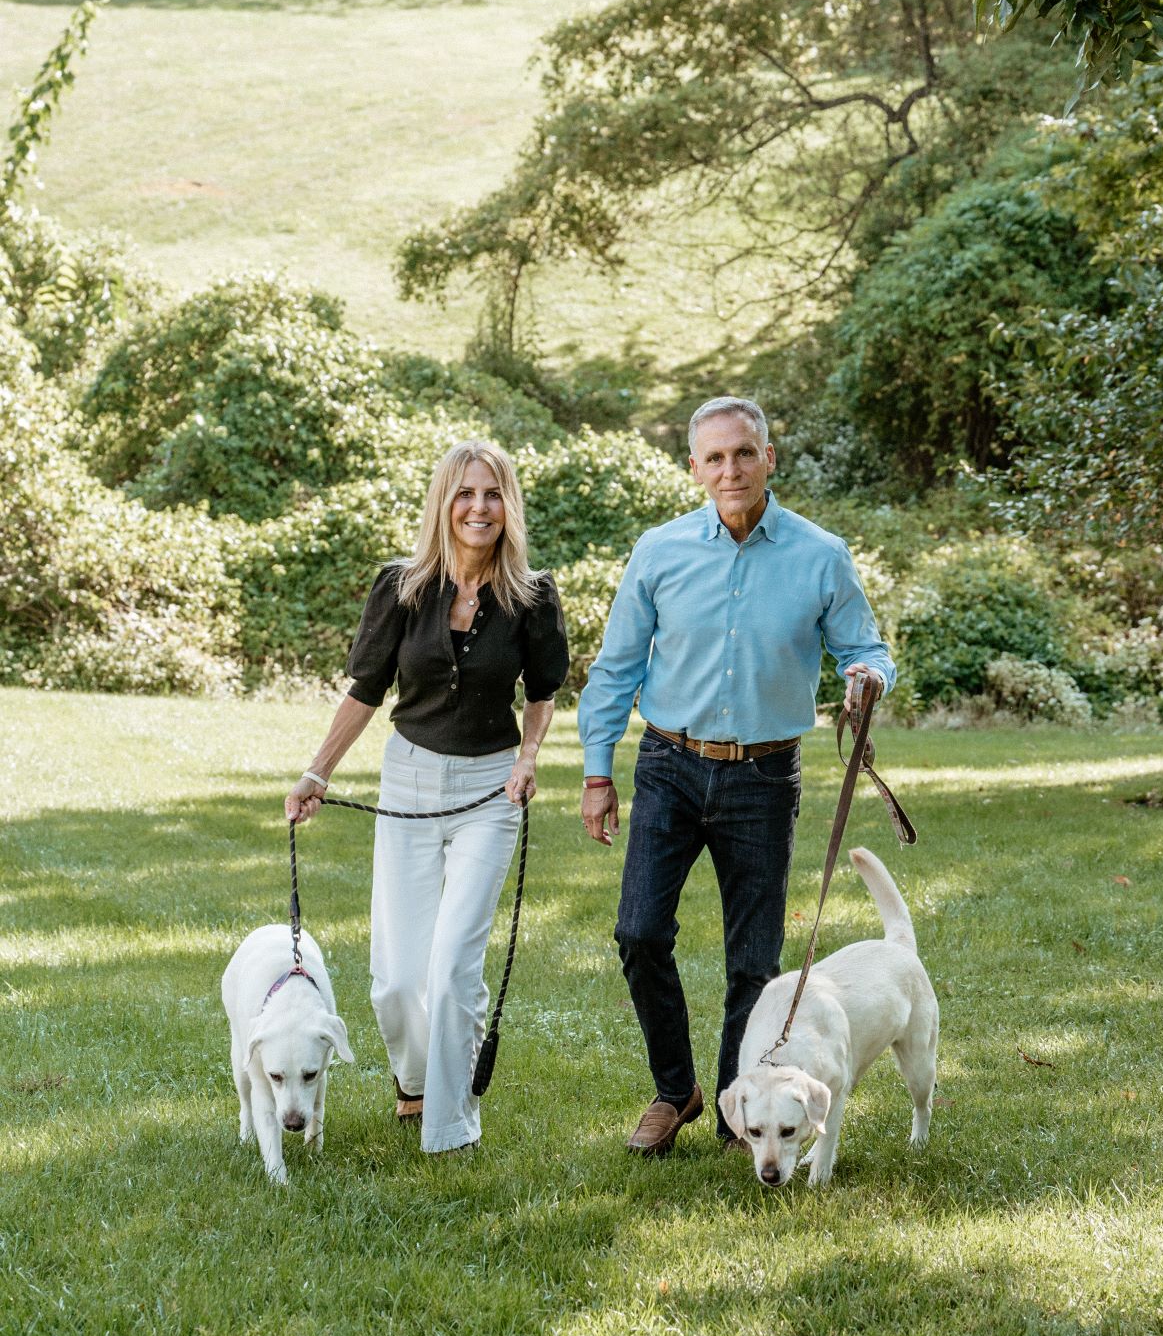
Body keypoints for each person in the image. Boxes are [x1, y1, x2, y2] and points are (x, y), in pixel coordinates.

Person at [578, 396, 895, 1156]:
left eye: (744, 453)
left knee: (754, 962)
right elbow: (615, 668)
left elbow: (870, 646)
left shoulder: (821, 555)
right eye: (714, 457)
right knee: (639, 931)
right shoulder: (659, 551)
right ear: (694, 467)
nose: (730, 469)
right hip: (668, 765)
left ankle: (739, 1108)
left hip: (763, 775)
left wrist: (865, 675)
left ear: (769, 458)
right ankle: (675, 1089)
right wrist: (597, 772)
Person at [285, 440, 569, 1156]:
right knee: (397, 980)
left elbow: (541, 693)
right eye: (466, 494)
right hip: (408, 780)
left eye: (493, 494)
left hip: (489, 789)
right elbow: (365, 691)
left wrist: (529, 758)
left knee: (451, 972)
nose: (480, 508)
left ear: (509, 506)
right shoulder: (402, 587)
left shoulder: (532, 597)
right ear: (443, 503)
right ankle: (414, 1086)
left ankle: (451, 1125)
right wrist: (317, 773)